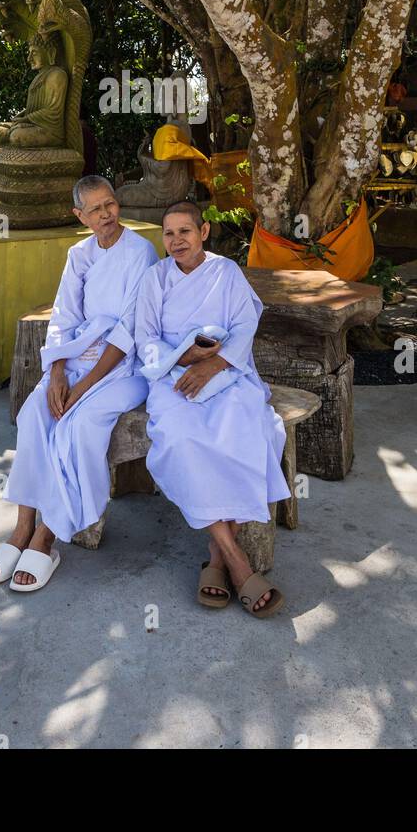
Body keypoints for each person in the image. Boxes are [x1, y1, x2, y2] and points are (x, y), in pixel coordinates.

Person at [0, 176, 158, 592]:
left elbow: (128, 331)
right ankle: (22, 527)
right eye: (95, 210)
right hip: (74, 359)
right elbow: (63, 318)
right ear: (81, 216)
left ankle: (49, 536)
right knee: (33, 416)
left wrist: (81, 390)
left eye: (110, 204)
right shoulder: (79, 254)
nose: (106, 215)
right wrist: (57, 372)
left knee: (77, 425)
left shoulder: (141, 253)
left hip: (123, 370)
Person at [135, 201, 290, 618]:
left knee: (247, 431)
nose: (176, 241)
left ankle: (217, 558)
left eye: (184, 231)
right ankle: (236, 561)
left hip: (228, 375)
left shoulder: (226, 272)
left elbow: (244, 326)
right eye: (168, 233)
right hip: (174, 378)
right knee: (183, 440)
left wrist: (215, 364)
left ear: (204, 231)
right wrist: (183, 359)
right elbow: (145, 338)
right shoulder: (156, 278)